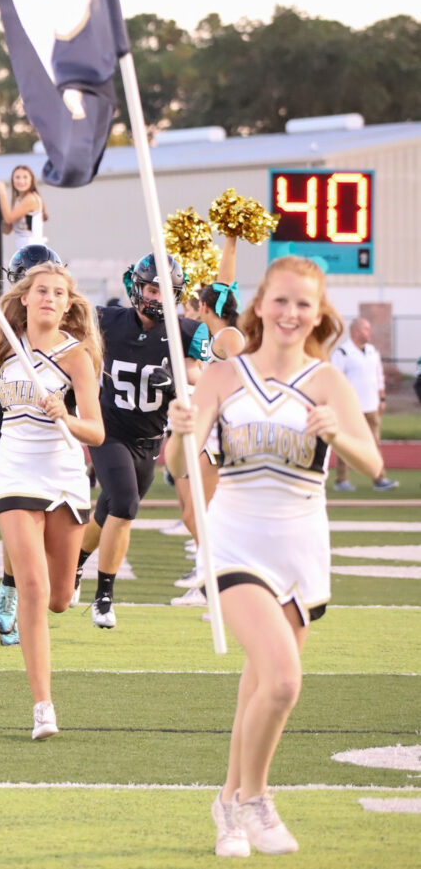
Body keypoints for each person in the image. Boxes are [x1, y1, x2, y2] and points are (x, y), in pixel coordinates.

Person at [166, 255, 382, 857]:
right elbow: (178, 467)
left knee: (261, 683)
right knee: (284, 680)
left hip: (301, 546)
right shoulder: (223, 376)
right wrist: (180, 429)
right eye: (280, 301)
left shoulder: (328, 380)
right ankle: (255, 801)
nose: (290, 313)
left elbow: (373, 465)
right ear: (261, 305)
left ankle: (227, 806)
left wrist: (337, 431)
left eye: (303, 304)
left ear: (318, 314)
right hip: (235, 540)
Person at [0, 260, 104, 740]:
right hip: (15, 470)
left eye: (58, 293)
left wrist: (65, 415)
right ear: (25, 297)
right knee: (34, 589)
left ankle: (73, 573)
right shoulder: (5, 340)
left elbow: (95, 432)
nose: (49, 299)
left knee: (59, 599)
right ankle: (43, 706)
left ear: (68, 304)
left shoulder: (77, 356)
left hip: (63, 474)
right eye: (41, 291)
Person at [77, 253, 210, 629]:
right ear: (137, 287)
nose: (157, 297)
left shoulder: (186, 331)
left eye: (165, 290)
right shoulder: (105, 320)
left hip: (150, 438)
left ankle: (74, 565)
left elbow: (197, 373)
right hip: (108, 431)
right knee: (124, 504)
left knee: (108, 512)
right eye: (152, 288)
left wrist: (176, 379)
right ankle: (104, 596)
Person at [0, 244, 64, 645]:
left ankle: (32, 587)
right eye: (34, 284)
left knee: (46, 527)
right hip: (5, 425)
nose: (45, 296)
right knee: (18, 509)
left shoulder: (65, 314)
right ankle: (11, 592)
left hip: (53, 427)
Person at [171, 237, 246, 607]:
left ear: (205, 306)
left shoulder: (230, 336)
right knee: (192, 511)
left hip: (223, 434)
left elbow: (246, 376)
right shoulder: (215, 335)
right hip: (206, 431)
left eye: (196, 304)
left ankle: (217, 584)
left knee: (203, 512)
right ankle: (208, 578)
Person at [330, 317, 398, 491]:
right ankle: (341, 480)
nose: (370, 333)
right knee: (347, 444)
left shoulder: (372, 351)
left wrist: (382, 398)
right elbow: (335, 380)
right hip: (350, 408)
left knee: (374, 443)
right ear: (356, 332)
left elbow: (379, 376)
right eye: (366, 329)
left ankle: (379, 478)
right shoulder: (343, 353)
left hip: (372, 406)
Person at [0, 165, 48, 251]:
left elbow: (8, 218)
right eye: (17, 177)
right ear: (13, 180)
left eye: (25, 177)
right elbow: (7, 230)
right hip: (23, 251)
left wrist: (2, 192)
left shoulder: (31, 199)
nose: (21, 181)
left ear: (31, 180)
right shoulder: (17, 200)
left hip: (34, 251)